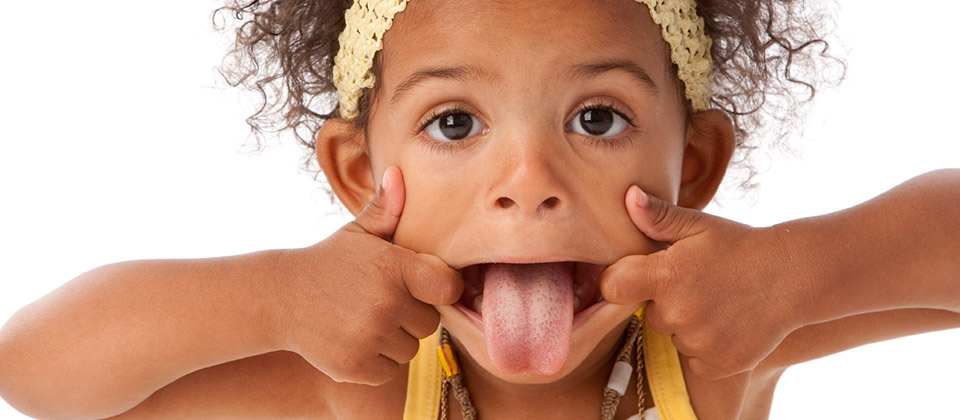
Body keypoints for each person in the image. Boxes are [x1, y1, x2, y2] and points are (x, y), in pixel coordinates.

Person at [0, 0, 957, 419]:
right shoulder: (368, 383)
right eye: (456, 122)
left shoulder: (711, 354)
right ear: (356, 172)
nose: (529, 178)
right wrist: (279, 296)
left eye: (596, 117)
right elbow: (35, 374)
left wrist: (801, 272)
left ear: (694, 164)